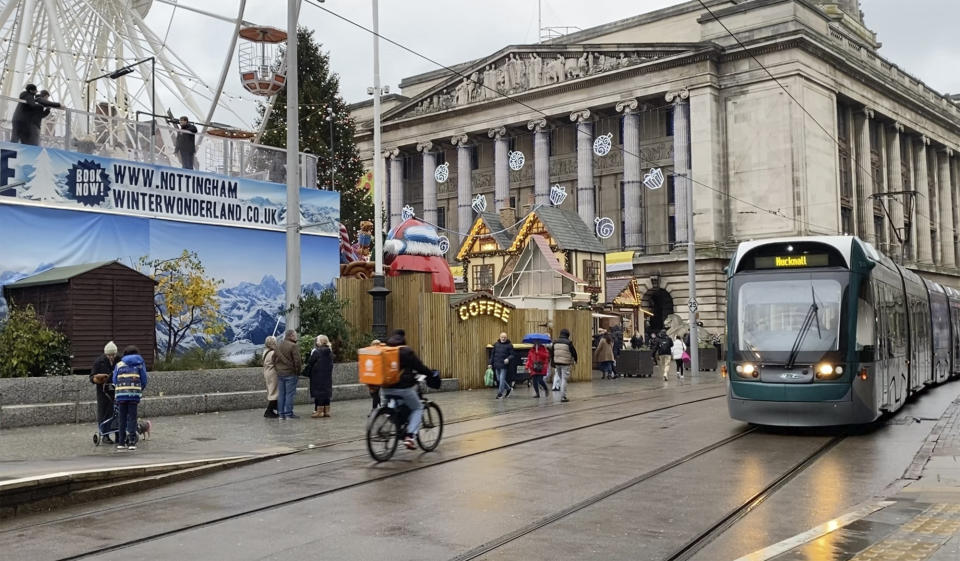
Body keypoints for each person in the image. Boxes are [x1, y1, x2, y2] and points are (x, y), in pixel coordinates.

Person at [382, 329, 435, 450]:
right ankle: (410, 436)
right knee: (417, 407)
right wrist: (431, 374)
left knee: (398, 403)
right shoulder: (406, 352)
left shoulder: (385, 351)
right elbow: (420, 367)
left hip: (385, 388)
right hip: (403, 389)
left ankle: (389, 414)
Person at [111, 345, 148, 451]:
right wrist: (139, 389)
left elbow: (114, 380)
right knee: (132, 418)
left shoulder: (119, 364)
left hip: (121, 394)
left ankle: (121, 442)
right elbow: (144, 379)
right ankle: (132, 442)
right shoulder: (140, 364)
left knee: (121, 418)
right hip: (133, 394)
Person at [90, 341, 118, 443]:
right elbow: (91, 377)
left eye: (113, 355)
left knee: (117, 412)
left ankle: (118, 433)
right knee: (104, 413)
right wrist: (97, 379)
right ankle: (105, 435)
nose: (111, 357)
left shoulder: (119, 360)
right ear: (105, 354)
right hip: (103, 392)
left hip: (116, 390)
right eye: (109, 355)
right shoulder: (99, 362)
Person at [273, 329, 302, 420]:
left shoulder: (279, 344)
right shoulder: (293, 346)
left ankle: (281, 414)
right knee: (289, 394)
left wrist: (277, 368)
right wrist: (297, 372)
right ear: (291, 336)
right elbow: (297, 361)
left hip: (280, 373)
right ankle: (288, 413)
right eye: (295, 335)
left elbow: (273, 358)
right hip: (290, 373)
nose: (296, 337)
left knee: (281, 394)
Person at [304, 335, 334, 418]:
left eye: (317, 340)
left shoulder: (317, 352)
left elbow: (310, 362)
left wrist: (306, 372)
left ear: (320, 342)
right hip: (327, 375)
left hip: (317, 375)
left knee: (319, 393)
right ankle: (327, 411)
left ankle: (319, 411)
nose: (316, 341)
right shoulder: (329, 351)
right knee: (326, 393)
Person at [551, 328, 578, 402]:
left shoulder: (555, 342)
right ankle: (563, 396)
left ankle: (561, 394)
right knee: (564, 379)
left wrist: (552, 362)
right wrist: (575, 360)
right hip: (565, 363)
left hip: (557, 363)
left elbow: (552, 353)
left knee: (560, 378)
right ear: (567, 335)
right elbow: (574, 352)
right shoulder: (568, 343)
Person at [490, 332, 514, 399]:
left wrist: (508, 359)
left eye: (504, 337)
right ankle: (508, 389)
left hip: (504, 365)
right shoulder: (496, 345)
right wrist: (490, 363)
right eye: (502, 337)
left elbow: (512, 355)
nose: (503, 338)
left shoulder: (509, 345)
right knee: (499, 379)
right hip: (496, 364)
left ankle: (500, 393)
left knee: (501, 379)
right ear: (500, 337)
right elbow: (492, 355)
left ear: (506, 338)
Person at [261, 336, 279, 418]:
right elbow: (278, 363)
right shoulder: (273, 353)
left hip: (267, 372)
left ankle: (276, 408)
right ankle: (269, 411)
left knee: (272, 390)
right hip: (273, 373)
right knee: (274, 391)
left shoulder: (265, 352)